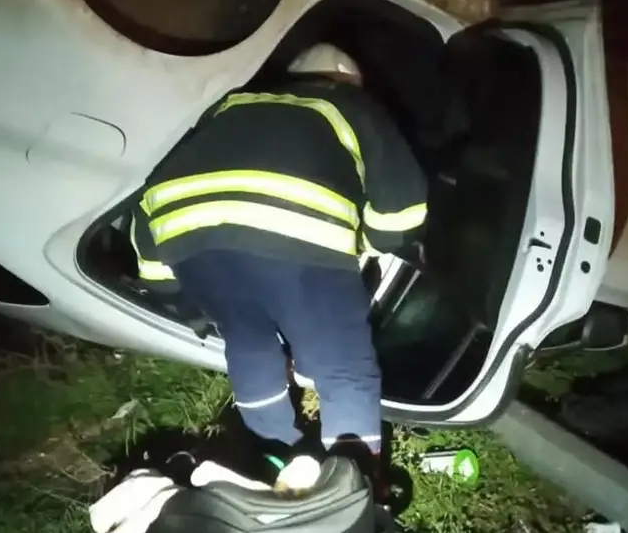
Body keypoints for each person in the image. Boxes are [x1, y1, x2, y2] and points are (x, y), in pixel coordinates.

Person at [128, 42, 428, 495]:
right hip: (293, 225)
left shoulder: (231, 103)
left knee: (247, 339)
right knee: (343, 368)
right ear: (347, 81)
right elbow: (400, 217)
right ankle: (351, 491)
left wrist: (185, 304)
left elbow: (156, 218)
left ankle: (274, 458)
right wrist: (362, 244)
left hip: (180, 229)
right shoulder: (350, 105)